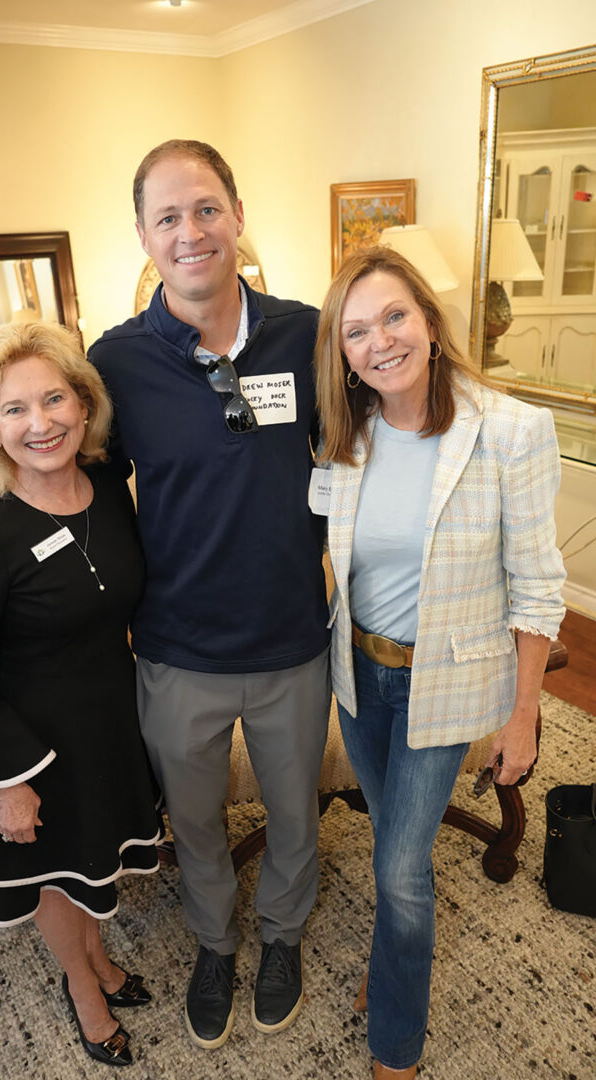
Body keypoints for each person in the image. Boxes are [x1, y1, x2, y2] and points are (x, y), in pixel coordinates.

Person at [88, 140, 331, 1048]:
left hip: (291, 642)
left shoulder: (306, 334)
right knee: (194, 821)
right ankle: (214, 943)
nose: (190, 233)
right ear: (145, 238)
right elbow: (74, 484)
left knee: (294, 812)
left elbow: (385, 423)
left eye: (205, 210)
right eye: (167, 218)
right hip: (177, 649)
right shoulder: (116, 363)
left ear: (236, 214)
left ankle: (280, 937)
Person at [312, 245, 566, 1079]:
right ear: (341, 353)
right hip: (359, 678)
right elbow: (325, 556)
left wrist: (523, 714)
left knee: (400, 868)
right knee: (392, 838)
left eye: (393, 317)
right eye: (356, 332)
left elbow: (536, 586)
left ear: (426, 318)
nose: (379, 341)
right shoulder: (344, 438)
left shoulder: (509, 429)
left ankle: (398, 1046)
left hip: (444, 682)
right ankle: (391, 968)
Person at [0, 321, 163, 1068]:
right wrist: (10, 781)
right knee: (59, 881)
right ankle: (85, 990)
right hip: (30, 746)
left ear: (85, 405)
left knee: (92, 866)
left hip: (107, 726)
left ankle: (98, 963)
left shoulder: (112, 496)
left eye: (55, 399)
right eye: (15, 409)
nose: (41, 423)